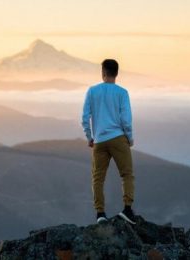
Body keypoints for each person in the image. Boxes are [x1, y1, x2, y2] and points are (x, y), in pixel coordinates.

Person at [81, 59, 136, 224]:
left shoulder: (92, 91)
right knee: (126, 174)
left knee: (98, 178)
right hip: (118, 138)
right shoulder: (122, 93)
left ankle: (100, 214)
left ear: (103, 72)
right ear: (117, 73)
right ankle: (127, 209)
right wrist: (130, 138)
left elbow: (84, 118)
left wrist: (90, 136)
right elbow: (126, 119)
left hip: (99, 140)